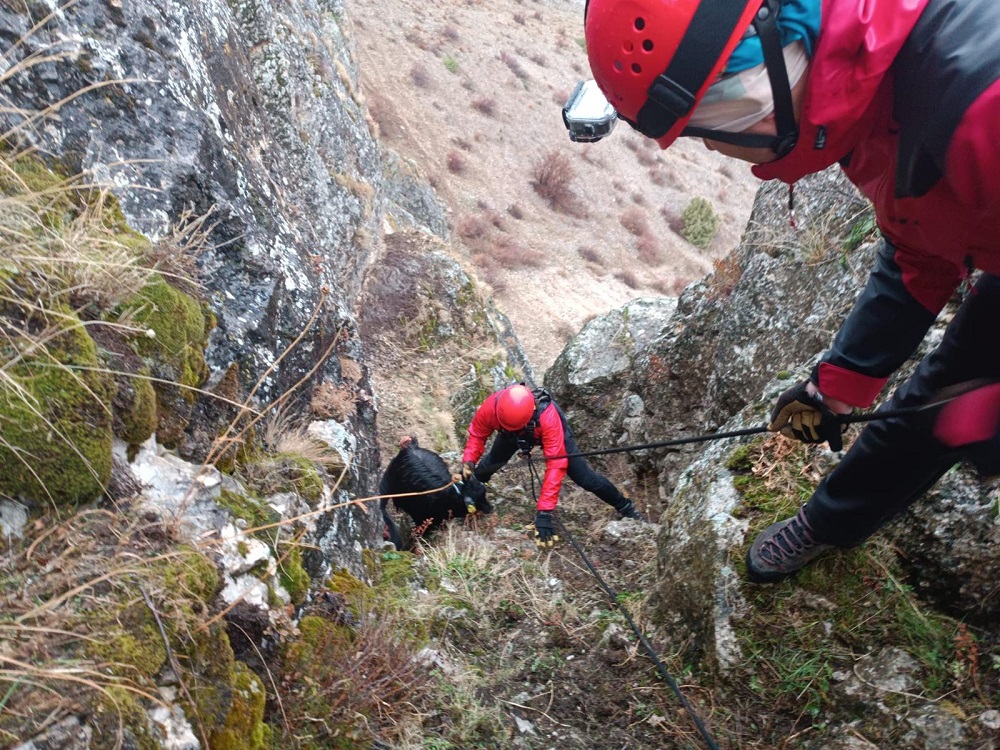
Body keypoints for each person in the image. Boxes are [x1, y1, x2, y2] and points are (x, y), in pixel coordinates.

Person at [582, 0, 1000, 581]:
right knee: (928, 407)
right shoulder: (864, 94)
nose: (717, 149)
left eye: (718, 122)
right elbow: (919, 246)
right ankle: (830, 523)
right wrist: (836, 386)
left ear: (767, 72)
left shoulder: (981, 99)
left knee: (946, 406)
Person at [462, 383, 647, 548]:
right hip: (514, 431)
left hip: (547, 430)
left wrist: (544, 512)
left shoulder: (547, 417)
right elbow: (478, 433)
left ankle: (626, 507)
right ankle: (470, 488)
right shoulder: (494, 408)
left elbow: (556, 465)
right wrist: (469, 460)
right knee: (494, 461)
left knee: (585, 478)